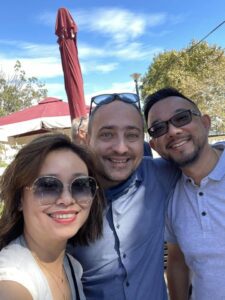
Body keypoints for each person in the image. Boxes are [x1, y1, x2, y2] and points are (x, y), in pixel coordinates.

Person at [72, 93, 180, 300]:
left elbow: (207, 162)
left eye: (132, 135)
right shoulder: (65, 196)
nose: (121, 148)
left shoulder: (162, 175)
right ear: (86, 140)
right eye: (107, 135)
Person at [0, 133, 104, 300]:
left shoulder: (72, 267)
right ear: (19, 198)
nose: (67, 199)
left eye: (81, 185)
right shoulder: (12, 277)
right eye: (47, 186)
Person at [144, 87, 225, 300]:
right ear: (155, 145)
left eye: (181, 118)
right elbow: (177, 260)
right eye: (159, 128)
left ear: (206, 123)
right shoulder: (171, 194)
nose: (172, 131)